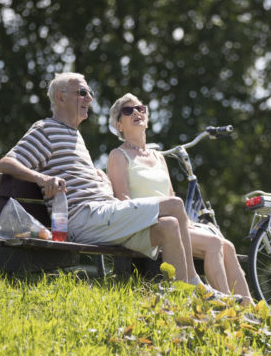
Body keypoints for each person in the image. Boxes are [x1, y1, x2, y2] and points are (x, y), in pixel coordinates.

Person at [0, 72, 208, 290]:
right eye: (82, 93)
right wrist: (42, 178)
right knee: (174, 205)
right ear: (60, 98)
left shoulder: (75, 135)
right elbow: (5, 163)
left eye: (90, 93)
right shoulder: (46, 129)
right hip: (84, 217)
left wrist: (100, 179)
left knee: (169, 226)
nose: (89, 98)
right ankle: (195, 284)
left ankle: (182, 297)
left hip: (103, 213)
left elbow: (76, 175)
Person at [107, 93, 253, 304]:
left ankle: (250, 307)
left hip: (176, 222)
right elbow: (123, 200)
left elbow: (171, 197)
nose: (136, 112)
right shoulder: (118, 156)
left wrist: (187, 224)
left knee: (227, 245)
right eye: (128, 111)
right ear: (119, 125)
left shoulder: (158, 157)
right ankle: (227, 309)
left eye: (140, 108)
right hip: (150, 225)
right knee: (213, 243)